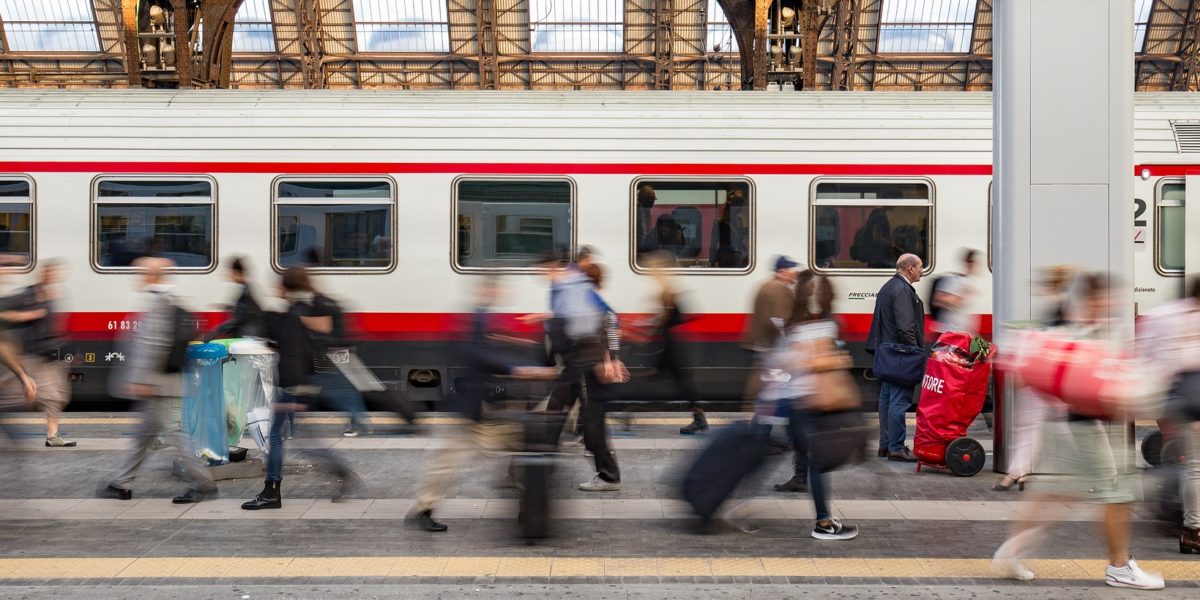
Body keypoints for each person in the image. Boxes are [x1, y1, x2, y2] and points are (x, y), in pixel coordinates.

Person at [992, 273, 1164, 590]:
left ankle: (1012, 549)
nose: (1112, 304)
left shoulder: (1077, 328)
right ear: (1092, 299)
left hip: (1068, 426)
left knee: (1055, 493)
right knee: (1118, 493)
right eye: (1107, 298)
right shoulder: (1082, 331)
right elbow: (1098, 388)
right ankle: (1119, 567)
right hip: (1084, 426)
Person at [407, 278, 558, 532]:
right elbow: (477, 355)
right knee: (449, 459)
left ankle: (529, 507)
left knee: (522, 450)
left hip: (487, 407)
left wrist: (516, 350)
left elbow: (490, 349)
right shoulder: (472, 319)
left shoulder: (484, 318)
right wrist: (519, 369)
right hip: (472, 408)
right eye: (495, 289)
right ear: (484, 290)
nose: (499, 293)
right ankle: (424, 509)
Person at [96, 257, 217, 504]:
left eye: (142, 272)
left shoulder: (158, 302)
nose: (138, 276)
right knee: (144, 435)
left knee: (176, 434)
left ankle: (204, 484)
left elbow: (153, 344)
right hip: (162, 381)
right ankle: (122, 483)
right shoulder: (170, 300)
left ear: (153, 275)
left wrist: (141, 379)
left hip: (157, 382)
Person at [241, 267, 358, 510]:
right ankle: (339, 473)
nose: (275, 289)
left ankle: (272, 491)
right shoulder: (303, 312)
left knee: (279, 437)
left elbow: (294, 353)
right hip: (301, 383)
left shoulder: (293, 315)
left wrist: (290, 389)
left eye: (279, 285)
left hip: (292, 385)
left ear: (287, 287)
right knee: (301, 440)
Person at [759, 272, 859, 539]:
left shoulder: (792, 325)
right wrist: (833, 360)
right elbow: (822, 361)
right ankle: (823, 523)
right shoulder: (826, 326)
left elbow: (783, 362)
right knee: (817, 461)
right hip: (813, 404)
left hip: (797, 401)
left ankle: (820, 517)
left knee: (806, 457)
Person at [543, 252, 626, 491]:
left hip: (585, 370)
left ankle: (609, 475)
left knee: (590, 425)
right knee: (556, 414)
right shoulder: (580, 298)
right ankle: (539, 464)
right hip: (576, 369)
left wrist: (611, 360)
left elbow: (608, 326)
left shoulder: (589, 301)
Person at [1140, 276, 1200, 553]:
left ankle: (1191, 529)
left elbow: (1147, 356)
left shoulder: (1164, 314)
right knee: (1195, 467)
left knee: (1190, 463)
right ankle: (1193, 527)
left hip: (1175, 397)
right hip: (1193, 398)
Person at [0, 260, 72, 446]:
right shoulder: (27, 294)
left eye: (56, 273)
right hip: (30, 354)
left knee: (56, 396)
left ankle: (52, 436)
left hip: (50, 355)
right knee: (15, 394)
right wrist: (24, 316)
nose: (53, 276)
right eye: (50, 273)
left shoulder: (53, 296)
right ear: (43, 274)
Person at [866, 253, 925, 463]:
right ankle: (897, 447)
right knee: (899, 402)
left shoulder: (888, 286)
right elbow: (905, 326)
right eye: (919, 267)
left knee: (887, 400)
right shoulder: (902, 290)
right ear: (910, 268)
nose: (921, 271)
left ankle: (885, 445)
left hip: (888, 354)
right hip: (901, 356)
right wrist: (916, 351)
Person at [641, 252, 706, 434]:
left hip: (673, 345)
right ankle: (698, 418)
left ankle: (699, 419)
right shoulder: (668, 289)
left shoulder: (666, 291)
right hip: (672, 343)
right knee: (680, 382)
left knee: (681, 382)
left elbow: (666, 317)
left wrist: (649, 329)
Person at [742, 256, 800, 403]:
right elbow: (780, 321)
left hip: (765, 346)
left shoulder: (769, 286)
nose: (795, 274)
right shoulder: (778, 290)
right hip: (771, 347)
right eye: (792, 270)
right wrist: (789, 345)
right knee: (771, 392)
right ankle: (761, 421)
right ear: (782, 272)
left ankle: (760, 418)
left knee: (767, 388)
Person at [206, 256, 264, 341]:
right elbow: (245, 311)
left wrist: (217, 330)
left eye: (231, 272)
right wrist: (228, 307)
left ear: (237, 273)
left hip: (247, 336)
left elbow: (238, 319)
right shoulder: (247, 288)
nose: (229, 275)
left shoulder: (245, 293)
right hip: (249, 335)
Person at [931, 249, 980, 336]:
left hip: (964, 333)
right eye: (974, 262)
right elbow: (938, 300)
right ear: (968, 263)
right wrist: (963, 295)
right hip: (950, 333)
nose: (977, 266)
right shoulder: (954, 280)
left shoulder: (971, 281)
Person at [709, 185, 750, 268]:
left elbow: (739, 238)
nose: (741, 207)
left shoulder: (738, 221)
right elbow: (713, 244)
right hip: (726, 259)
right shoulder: (720, 223)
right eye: (738, 203)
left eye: (741, 204)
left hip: (739, 258)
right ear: (731, 205)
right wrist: (712, 261)